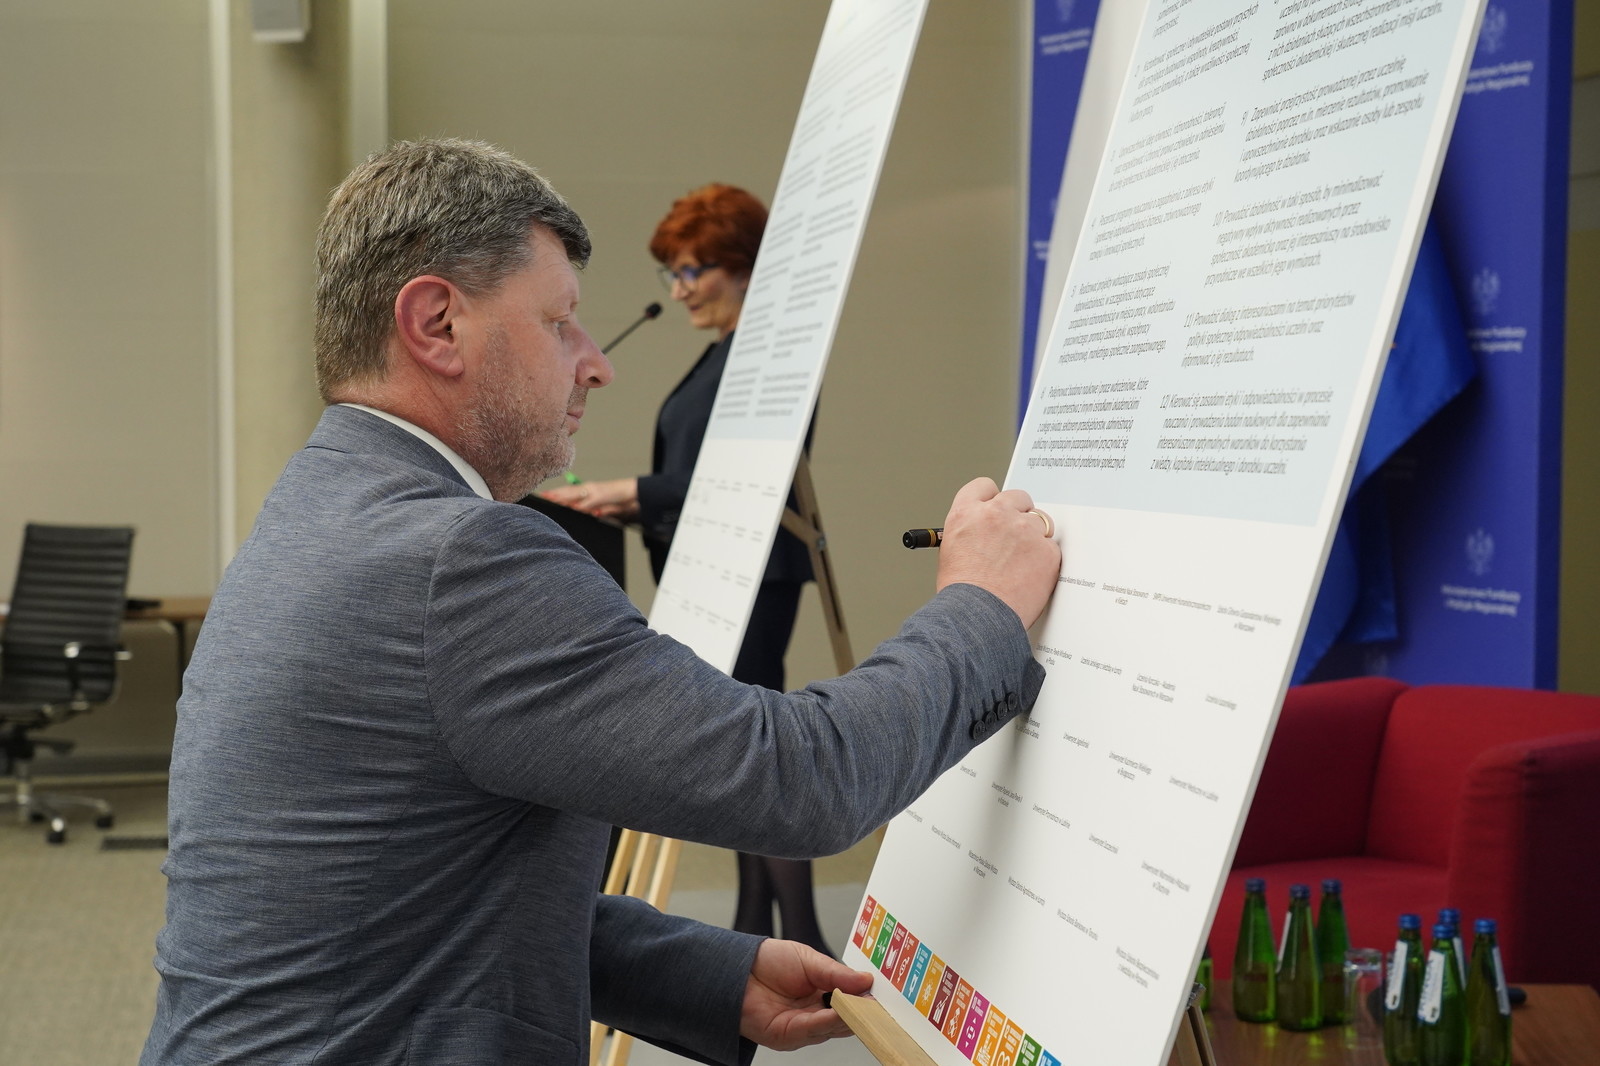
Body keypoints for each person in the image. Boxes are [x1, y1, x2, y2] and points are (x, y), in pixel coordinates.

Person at [141, 138, 1060, 1066]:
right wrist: (980, 603)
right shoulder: (461, 559)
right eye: (559, 322)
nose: (595, 364)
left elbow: (408, 903)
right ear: (436, 324)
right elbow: (801, 780)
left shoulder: (322, 502)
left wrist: (709, 976)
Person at [543, 183, 833, 956]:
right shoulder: (723, 354)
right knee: (745, 753)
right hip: (713, 567)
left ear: (744, 265)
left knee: (757, 753)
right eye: (671, 273)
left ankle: (803, 935)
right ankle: (755, 924)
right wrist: (628, 506)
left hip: (753, 573)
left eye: (693, 270)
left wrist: (629, 492)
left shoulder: (770, 358)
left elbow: (749, 473)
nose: (678, 290)